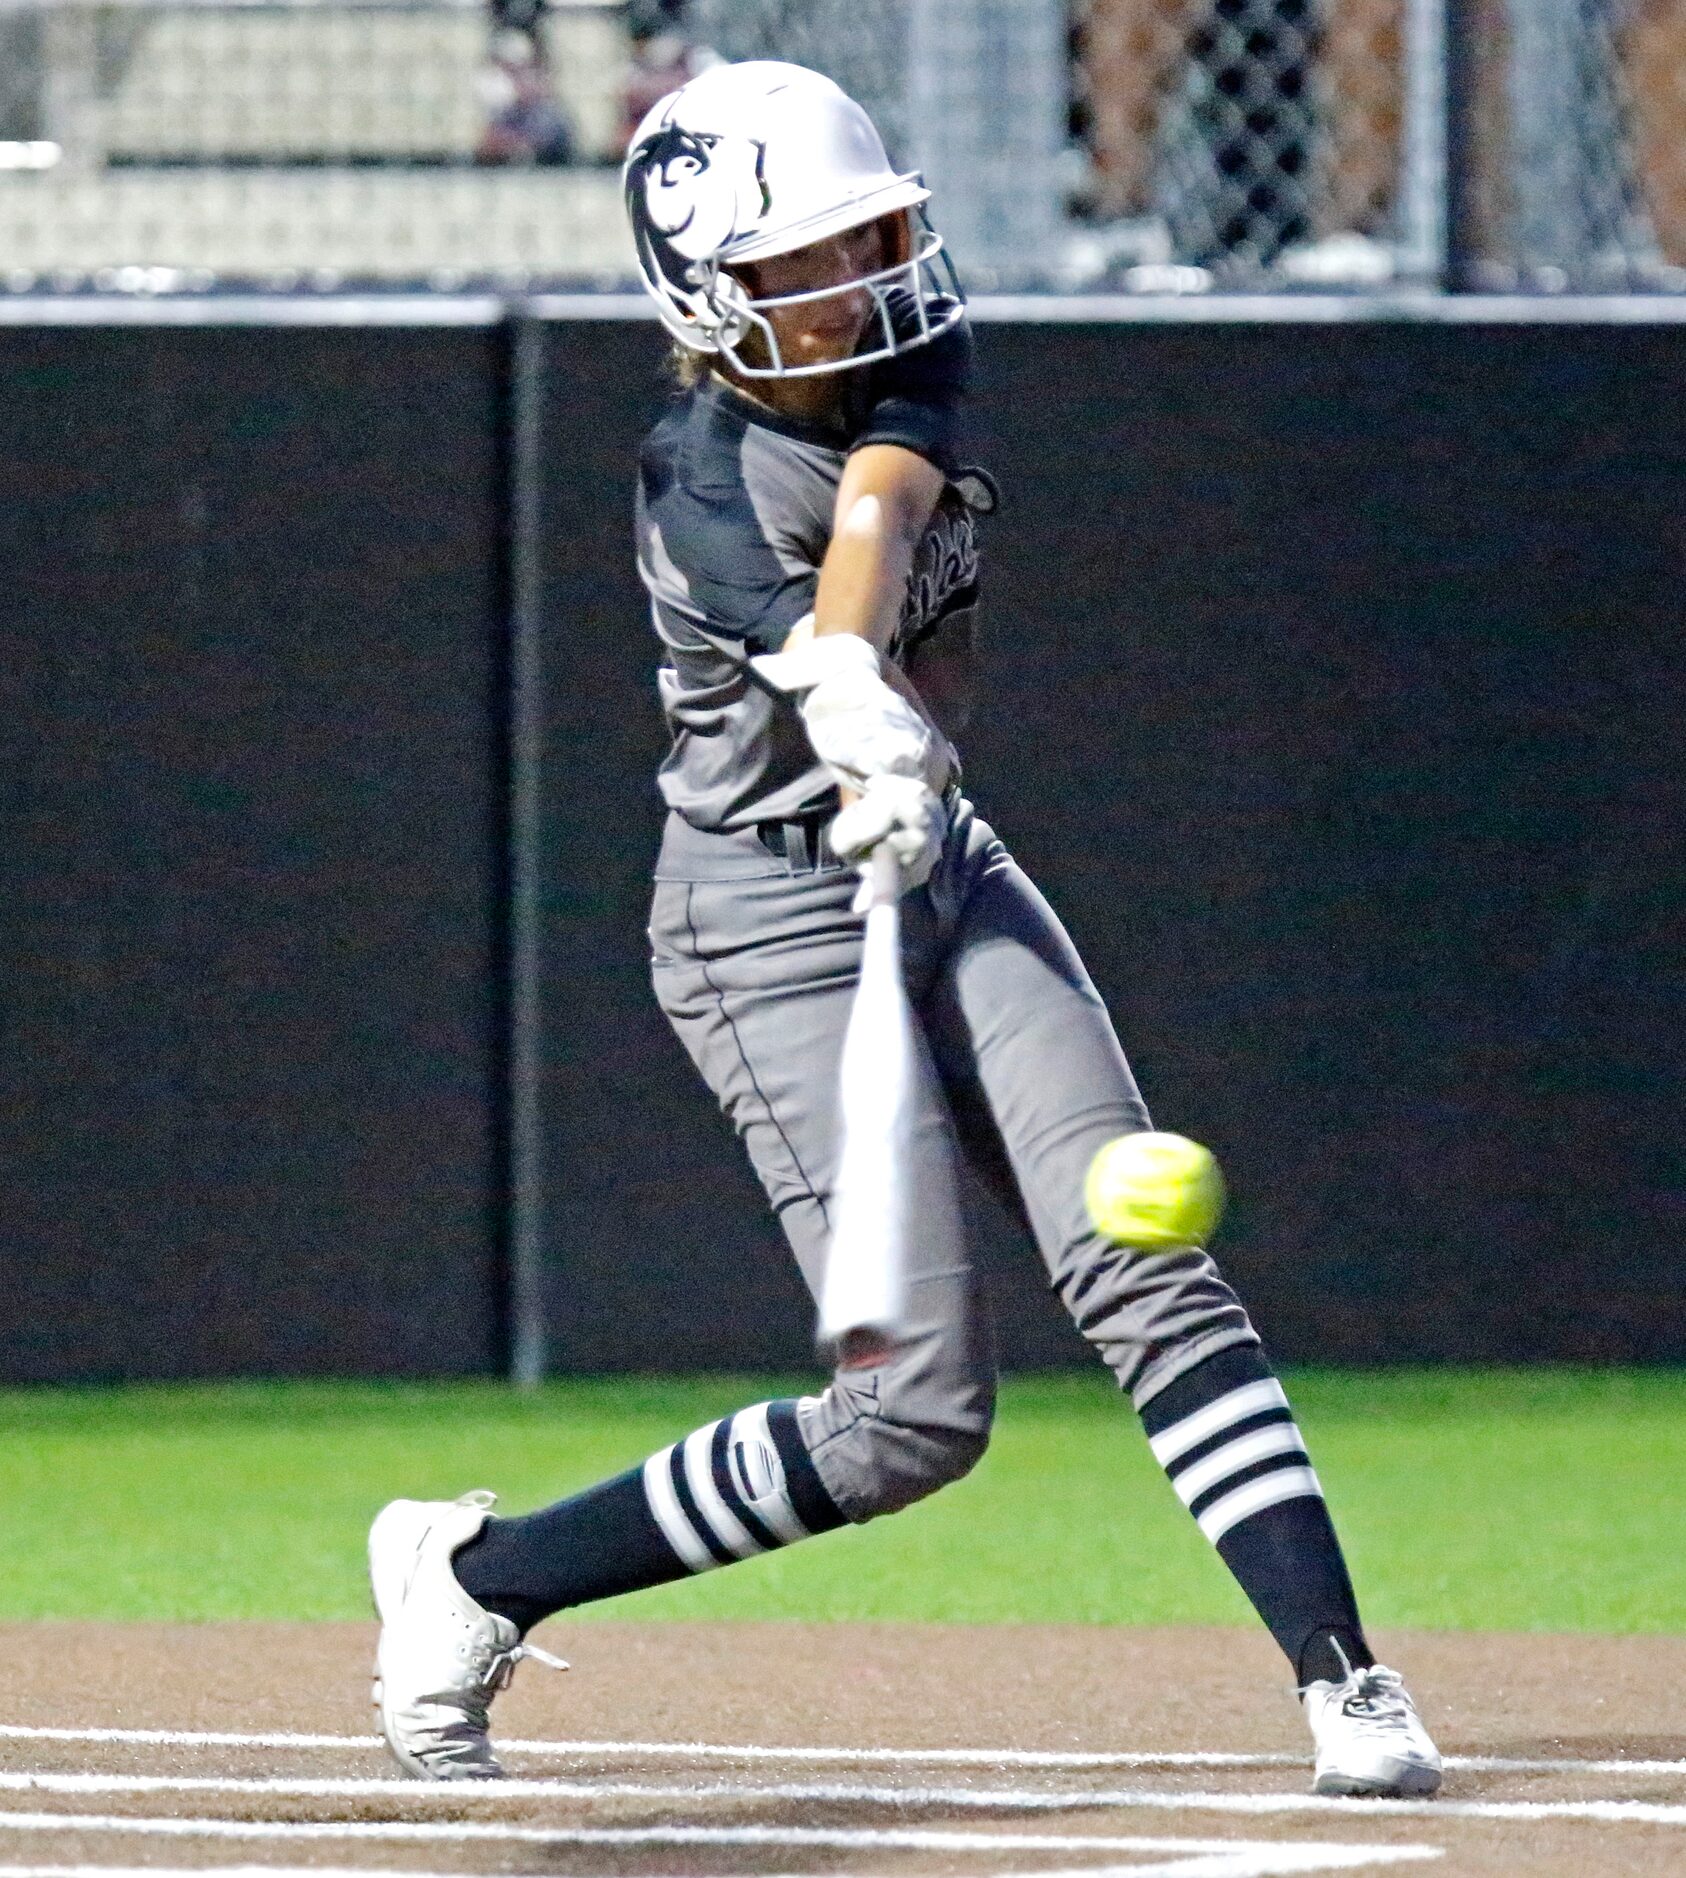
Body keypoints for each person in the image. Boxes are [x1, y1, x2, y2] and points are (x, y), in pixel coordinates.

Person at [367, 58, 1442, 1801]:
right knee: (910, 1419)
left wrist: (868, 689)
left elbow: (877, 505)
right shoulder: (695, 473)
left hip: (934, 851)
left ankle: (1345, 1678)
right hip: (761, 915)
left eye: (876, 235)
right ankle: (472, 1579)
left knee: (1146, 1261)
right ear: (714, 295)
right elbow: (802, 613)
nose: (870, 279)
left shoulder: (907, 359)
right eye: (817, 258)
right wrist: (833, 692)